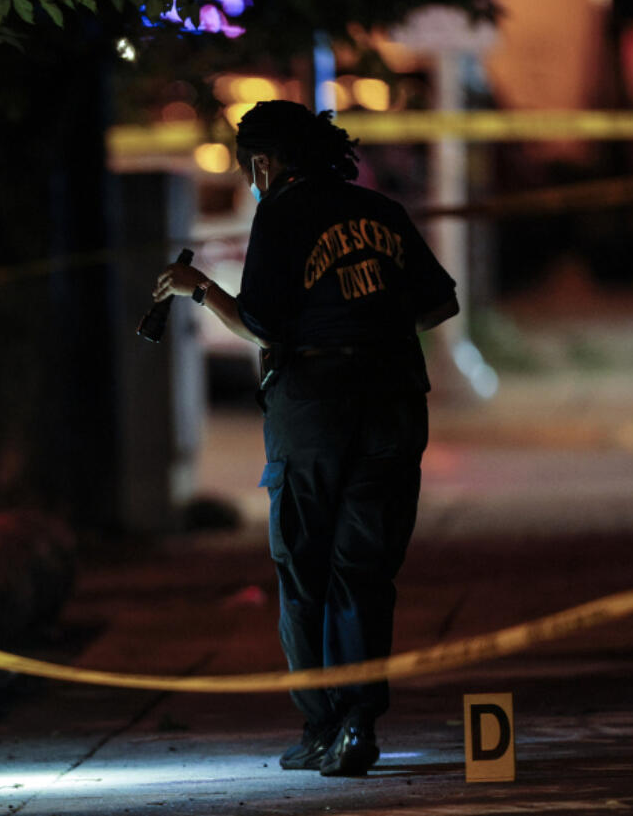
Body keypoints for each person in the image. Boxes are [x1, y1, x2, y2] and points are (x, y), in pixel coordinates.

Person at [153, 100, 459, 777]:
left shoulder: (281, 214)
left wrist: (197, 287)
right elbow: (440, 301)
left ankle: (323, 723)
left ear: (264, 163)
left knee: (305, 570)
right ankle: (359, 723)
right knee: (365, 570)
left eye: (251, 169)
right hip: (392, 404)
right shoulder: (380, 211)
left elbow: (260, 322)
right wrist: (370, 314)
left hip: (314, 411)